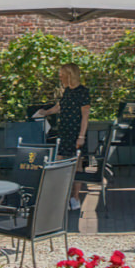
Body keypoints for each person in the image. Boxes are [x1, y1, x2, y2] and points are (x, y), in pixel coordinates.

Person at [35, 64, 90, 210]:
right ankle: (62, 197)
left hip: (76, 133)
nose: (60, 77)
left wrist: (81, 136)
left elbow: (85, 116)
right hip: (64, 133)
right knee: (60, 164)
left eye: (62, 75)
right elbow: (59, 107)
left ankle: (75, 198)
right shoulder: (66, 91)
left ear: (69, 75)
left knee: (77, 166)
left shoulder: (83, 92)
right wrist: (45, 112)